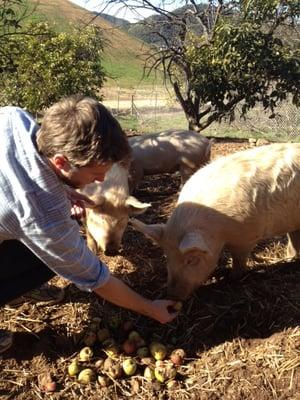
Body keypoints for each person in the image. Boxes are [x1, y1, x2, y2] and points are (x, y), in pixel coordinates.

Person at [0, 95, 178, 354]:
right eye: (96, 174)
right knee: (57, 256)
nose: (101, 180)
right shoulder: (43, 214)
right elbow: (96, 277)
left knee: (47, 255)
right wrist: (150, 307)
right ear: (61, 162)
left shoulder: (14, 118)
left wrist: (61, 189)